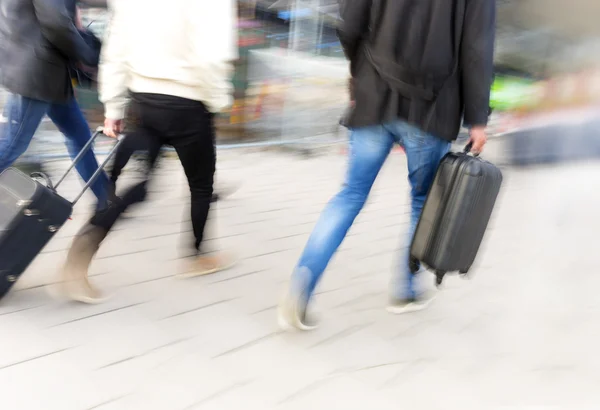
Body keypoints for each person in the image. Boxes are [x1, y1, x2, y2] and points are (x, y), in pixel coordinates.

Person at [278, 0, 495, 330]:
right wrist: (478, 119)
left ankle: (303, 284)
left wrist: (359, 74)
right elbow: (477, 46)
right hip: (432, 107)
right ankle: (405, 291)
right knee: (424, 203)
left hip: (374, 94)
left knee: (350, 195)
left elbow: (350, 22)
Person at [60, 0, 238, 303]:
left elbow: (116, 52)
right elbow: (213, 56)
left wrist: (113, 107)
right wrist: (218, 101)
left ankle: (80, 257)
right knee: (201, 186)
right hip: (189, 104)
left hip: (144, 102)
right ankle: (196, 257)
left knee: (133, 186)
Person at [0, 0, 110, 206]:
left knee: (79, 137)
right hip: (38, 74)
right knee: (11, 145)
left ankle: (106, 197)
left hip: (44, 72)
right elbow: (56, 24)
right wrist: (87, 54)